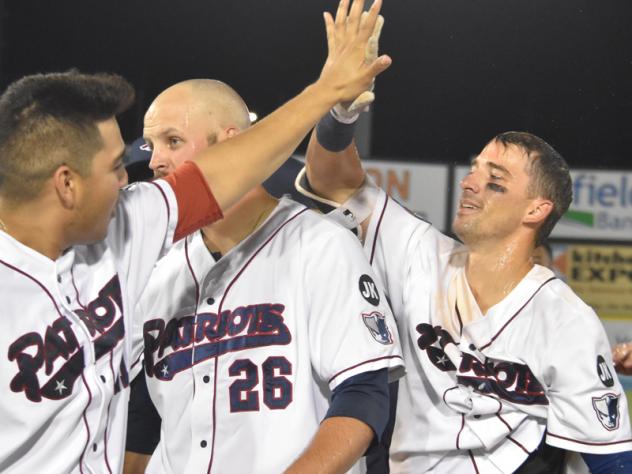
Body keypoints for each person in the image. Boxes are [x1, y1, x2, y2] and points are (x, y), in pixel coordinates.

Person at [0, 1, 391, 471]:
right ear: (66, 184)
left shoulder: (129, 230)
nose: (133, 177)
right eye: (113, 168)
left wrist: (329, 95)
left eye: (169, 142)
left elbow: (220, 175)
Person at [297, 75, 632, 473]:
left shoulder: (566, 321)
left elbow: (611, 459)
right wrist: (342, 110)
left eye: (495, 181)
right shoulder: (418, 252)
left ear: (536, 210)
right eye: (474, 170)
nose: (471, 183)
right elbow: (331, 178)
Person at [124, 78, 403, 474]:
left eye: (172, 140)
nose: (154, 161)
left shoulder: (320, 245)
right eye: (152, 145)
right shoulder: (154, 266)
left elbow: (364, 395)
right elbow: (145, 412)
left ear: (232, 143)